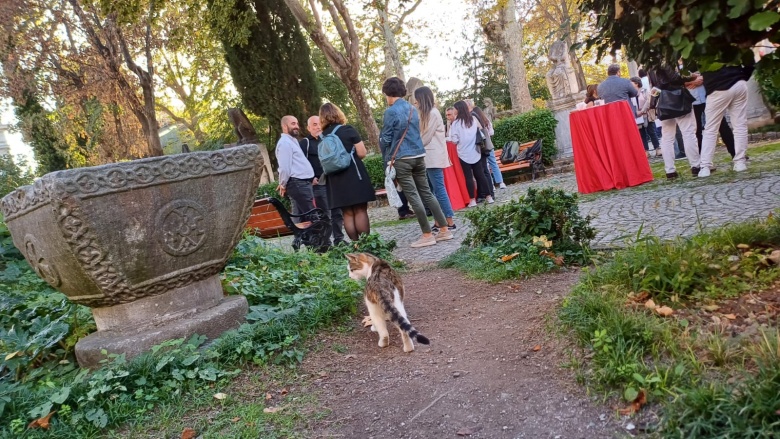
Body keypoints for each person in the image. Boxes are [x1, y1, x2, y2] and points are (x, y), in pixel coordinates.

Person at [379, 77, 452, 248]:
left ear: (387, 94)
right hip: (419, 155)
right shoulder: (412, 108)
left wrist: (386, 158)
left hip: (402, 158)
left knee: (413, 196)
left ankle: (427, 234)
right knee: (427, 193)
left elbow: (386, 138)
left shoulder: (390, 111)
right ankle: (444, 229)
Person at [319, 103, 376, 241]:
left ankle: (355, 245)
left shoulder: (323, 136)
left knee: (347, 214)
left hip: (335, 180)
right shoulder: (348, 130)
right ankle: (365, 245)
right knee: (360, 210)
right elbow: (362, 152)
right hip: (354, 175)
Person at [698, 63, 754, 176]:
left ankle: (705, 166)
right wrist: (742, 77)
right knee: (740, 125)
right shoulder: (730, 44)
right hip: (737, 82)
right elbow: (749, 59)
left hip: (717, 87)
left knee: (710, 129)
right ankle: (740, 162)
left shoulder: (700, 48)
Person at [414, 86, 456, 232]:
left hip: (433, 156)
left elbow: (426, 136)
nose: (415, 102)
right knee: (431, 191)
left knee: (438, 189)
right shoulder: (427, 113)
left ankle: (449, 220)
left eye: (417, 100)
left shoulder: (433, 113)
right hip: (428, 157)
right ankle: (439, 221)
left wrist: (413, 146)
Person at [648, 65, 701, 179]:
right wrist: (691, 77)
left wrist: (652, 102)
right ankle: (696, 165)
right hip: (678, 97)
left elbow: (654, 85)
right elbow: (674, 77)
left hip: (663, 100)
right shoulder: (664, 57)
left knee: (667, 137)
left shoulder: (649, 62)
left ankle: (670, 170)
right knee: (688, 133)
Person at [299, 115, 346, 245]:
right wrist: (310, 178)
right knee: (326, 214)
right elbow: (300, 162)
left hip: (333, 181)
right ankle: (326, 242)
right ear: (308, 128)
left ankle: (339, 239)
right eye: (314, 124)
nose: (318, 126)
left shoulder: (329, 139)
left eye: (319, 123)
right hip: (318, 183)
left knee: (337, 212)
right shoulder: (305, 143)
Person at [450, 100, 494, 207]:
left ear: (458, 109)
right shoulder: (473, 119)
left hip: (463, 153)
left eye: (455, 108)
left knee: (468, 177)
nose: (453, 110)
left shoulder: (455, 123)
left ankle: (472, 200)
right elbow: (480, 131)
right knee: (480, 175)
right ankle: (489, 196)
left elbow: (454, 140)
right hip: (475, 150)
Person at [685, 71, 737, 157]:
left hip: (708, 96)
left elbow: (715, 74)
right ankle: (702, 159)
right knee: (696, 130)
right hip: (692, 100)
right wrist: (691, 82)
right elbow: (675, 80)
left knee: (722, 125)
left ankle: (735, 153)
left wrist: (702, 78)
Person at [276, 115, 315, 222]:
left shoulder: (292, 141)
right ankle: (322, 239)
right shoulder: (284, 143)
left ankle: (301, 238)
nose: (297, 126)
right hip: (298, 184)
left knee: (301, 218)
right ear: (284, 126)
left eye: (297, 123)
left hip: (301, 183)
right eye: (293, 124)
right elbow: (284, 168)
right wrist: (282, 184)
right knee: (312, 217)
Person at [472, 106, 504, 191]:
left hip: (481, 145)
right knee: (493, 163)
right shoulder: (486, 121)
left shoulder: (475, 121)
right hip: (489, 144)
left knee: (485, 165)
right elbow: (491, 132)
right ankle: (501, 182)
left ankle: (491, 185)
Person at [631, 77, 661, 157]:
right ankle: (645, 151)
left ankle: (657, 148)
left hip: (647, 114)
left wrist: (642, 111)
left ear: (636, 83)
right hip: (637, 116)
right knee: (642, 134)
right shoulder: (631, 93)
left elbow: (648, 101)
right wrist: (636, 112)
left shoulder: (644, 91)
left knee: (652, 132)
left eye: (631, 83)